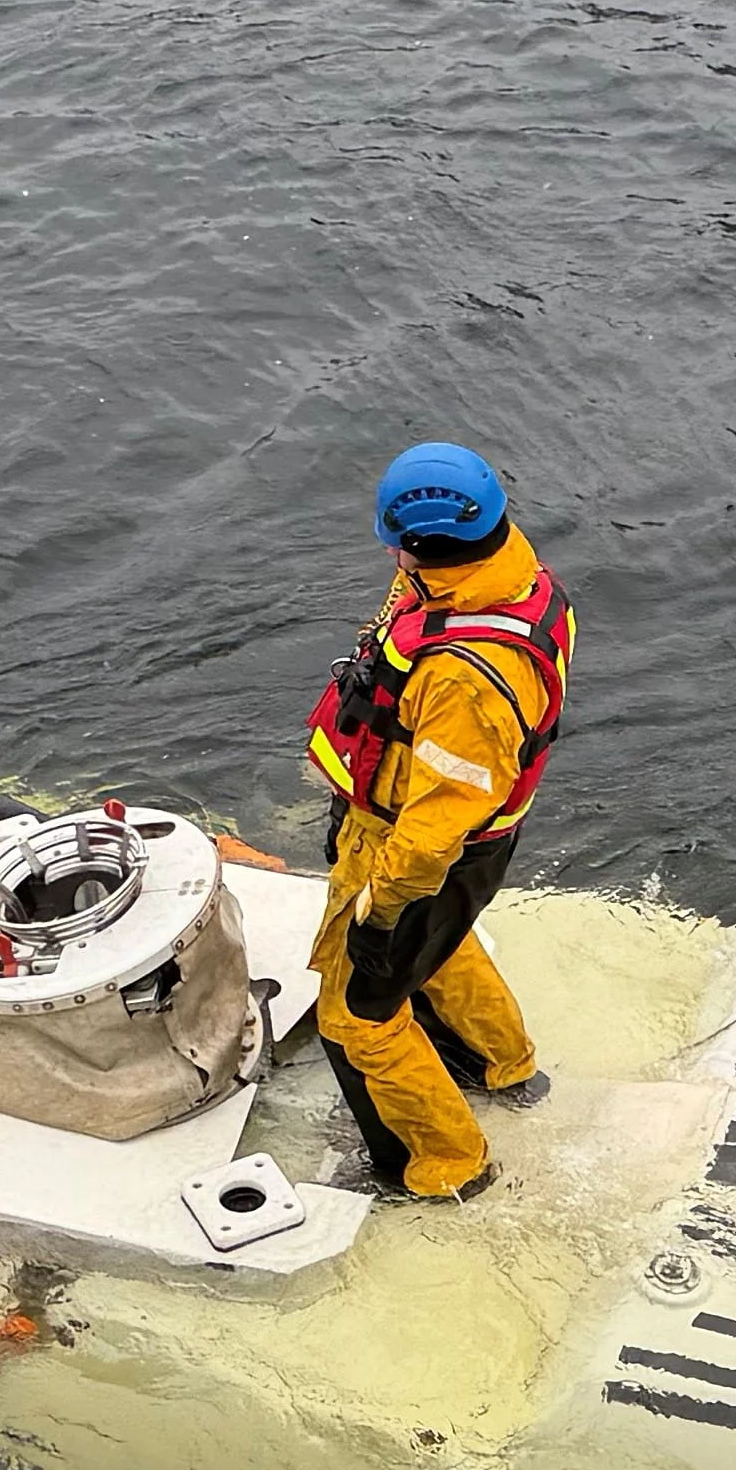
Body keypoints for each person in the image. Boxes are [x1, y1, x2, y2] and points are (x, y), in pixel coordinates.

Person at [302, 440, 572, 1206]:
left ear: (409, 542)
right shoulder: (506, 577)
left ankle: (448, 1164)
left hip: (417, 854)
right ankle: (504, 1065)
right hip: (460, 845)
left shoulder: (464, 676)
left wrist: (379, 912)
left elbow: (431, 830)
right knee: (446, 951)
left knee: (361, 1018)